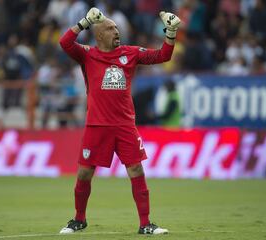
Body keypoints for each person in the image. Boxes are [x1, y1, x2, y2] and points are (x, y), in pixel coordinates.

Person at [58, 7, 180, 235]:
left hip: (125, 126)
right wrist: (84, 21)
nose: (117, 31)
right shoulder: (88, 54)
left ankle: (145, 224)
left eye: (117, 28)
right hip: (96, 125)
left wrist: (170, 33)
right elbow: (65, 43)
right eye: (111, 28)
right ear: (99, 35)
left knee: (136, 170)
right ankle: (79, 219)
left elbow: (163, 55)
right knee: (84, 173)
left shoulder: (130, 53)